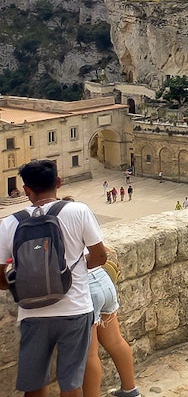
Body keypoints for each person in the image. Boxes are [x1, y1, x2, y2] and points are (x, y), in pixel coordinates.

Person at [0, 160, 108, 397]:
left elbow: (0, 279)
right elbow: (100, 256)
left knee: (35, 385)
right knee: (71, 384)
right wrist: (71, 270)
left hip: (32, 313)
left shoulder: (9, 223)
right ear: (58, 183)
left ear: (26, 189)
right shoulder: (78, 211)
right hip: (75, 308)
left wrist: (29, 280)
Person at [83, 263, 141, 397]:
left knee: (90, 355)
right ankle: (130, 390)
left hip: (86, 287)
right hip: (102, 278)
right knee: (116, 342)